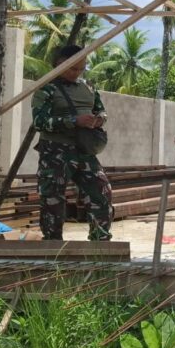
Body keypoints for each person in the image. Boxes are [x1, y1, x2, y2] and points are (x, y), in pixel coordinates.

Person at [31, 44, 113, 241]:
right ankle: (52, 242)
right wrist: (73, 121)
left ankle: (100, 240)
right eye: (72, 68)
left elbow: (101, 110)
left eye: (81, 68)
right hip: (55, 151)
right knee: (53, 197)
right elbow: (40, 122)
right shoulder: (46, 89)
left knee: (101, 191)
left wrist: (99, 119)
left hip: (84, 149)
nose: (76, 73)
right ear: (59, 64)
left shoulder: (89, 88)